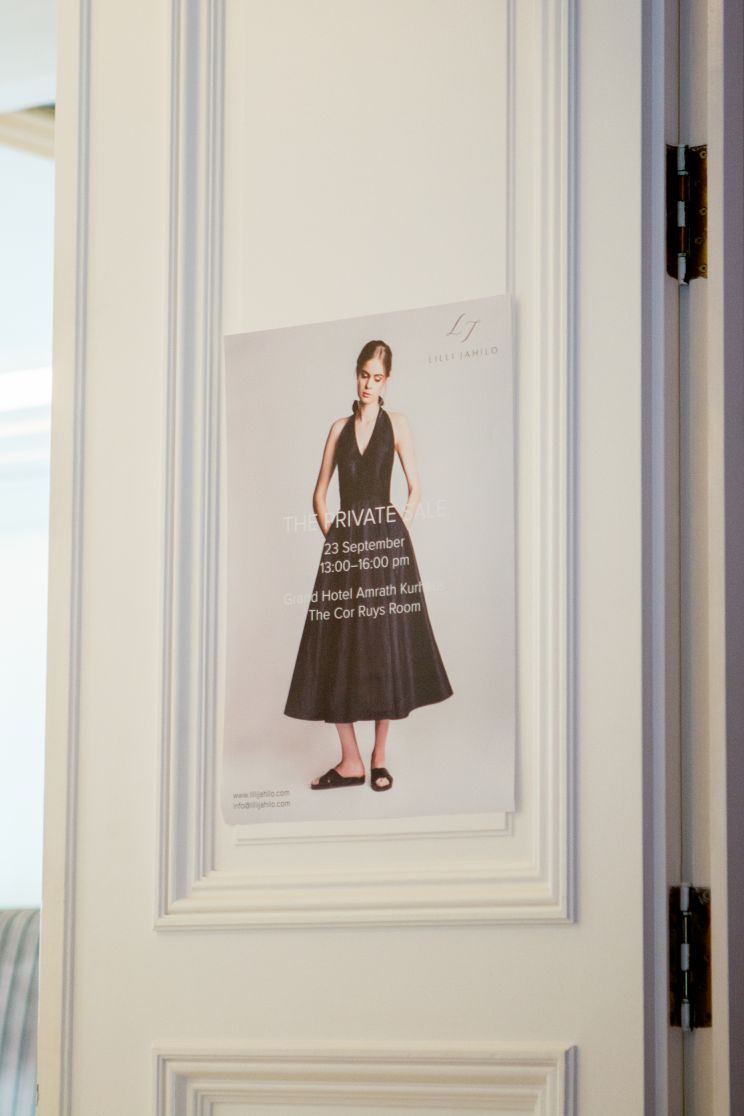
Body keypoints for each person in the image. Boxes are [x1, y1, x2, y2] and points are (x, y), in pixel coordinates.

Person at [284, 340, 452, 791]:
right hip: (345, 552)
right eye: (364, 374)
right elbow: (319, 495)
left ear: (387, 381)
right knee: (334, 646)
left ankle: (378, 757)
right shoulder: (338, 428)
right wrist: (336, 541)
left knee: (383, 645)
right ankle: (350, 760)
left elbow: (415, 488)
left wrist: (397, 532)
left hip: (385, 549)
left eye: (377, 377)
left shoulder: (398, 423)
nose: (368, 384)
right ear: (356, 373)